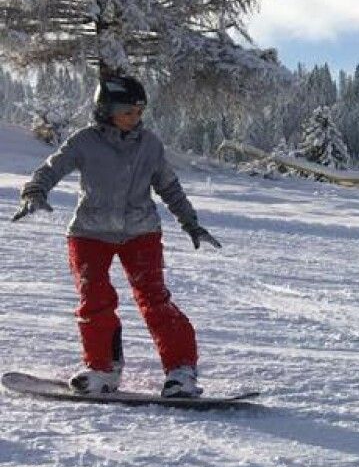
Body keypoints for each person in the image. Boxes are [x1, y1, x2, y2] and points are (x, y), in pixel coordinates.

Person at [12, 75, 220, 398]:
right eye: (128, 112)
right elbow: (52, 167)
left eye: (139, 112)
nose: (135, 118)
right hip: (89, 233)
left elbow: (169, 187)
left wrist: (191, 223)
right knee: (93, 299)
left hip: (141, 232)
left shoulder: (149, 145)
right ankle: (102, 369)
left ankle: (181, 371)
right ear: (106, 110)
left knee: (154, 299)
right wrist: (35, 191)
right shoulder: (84, 142)